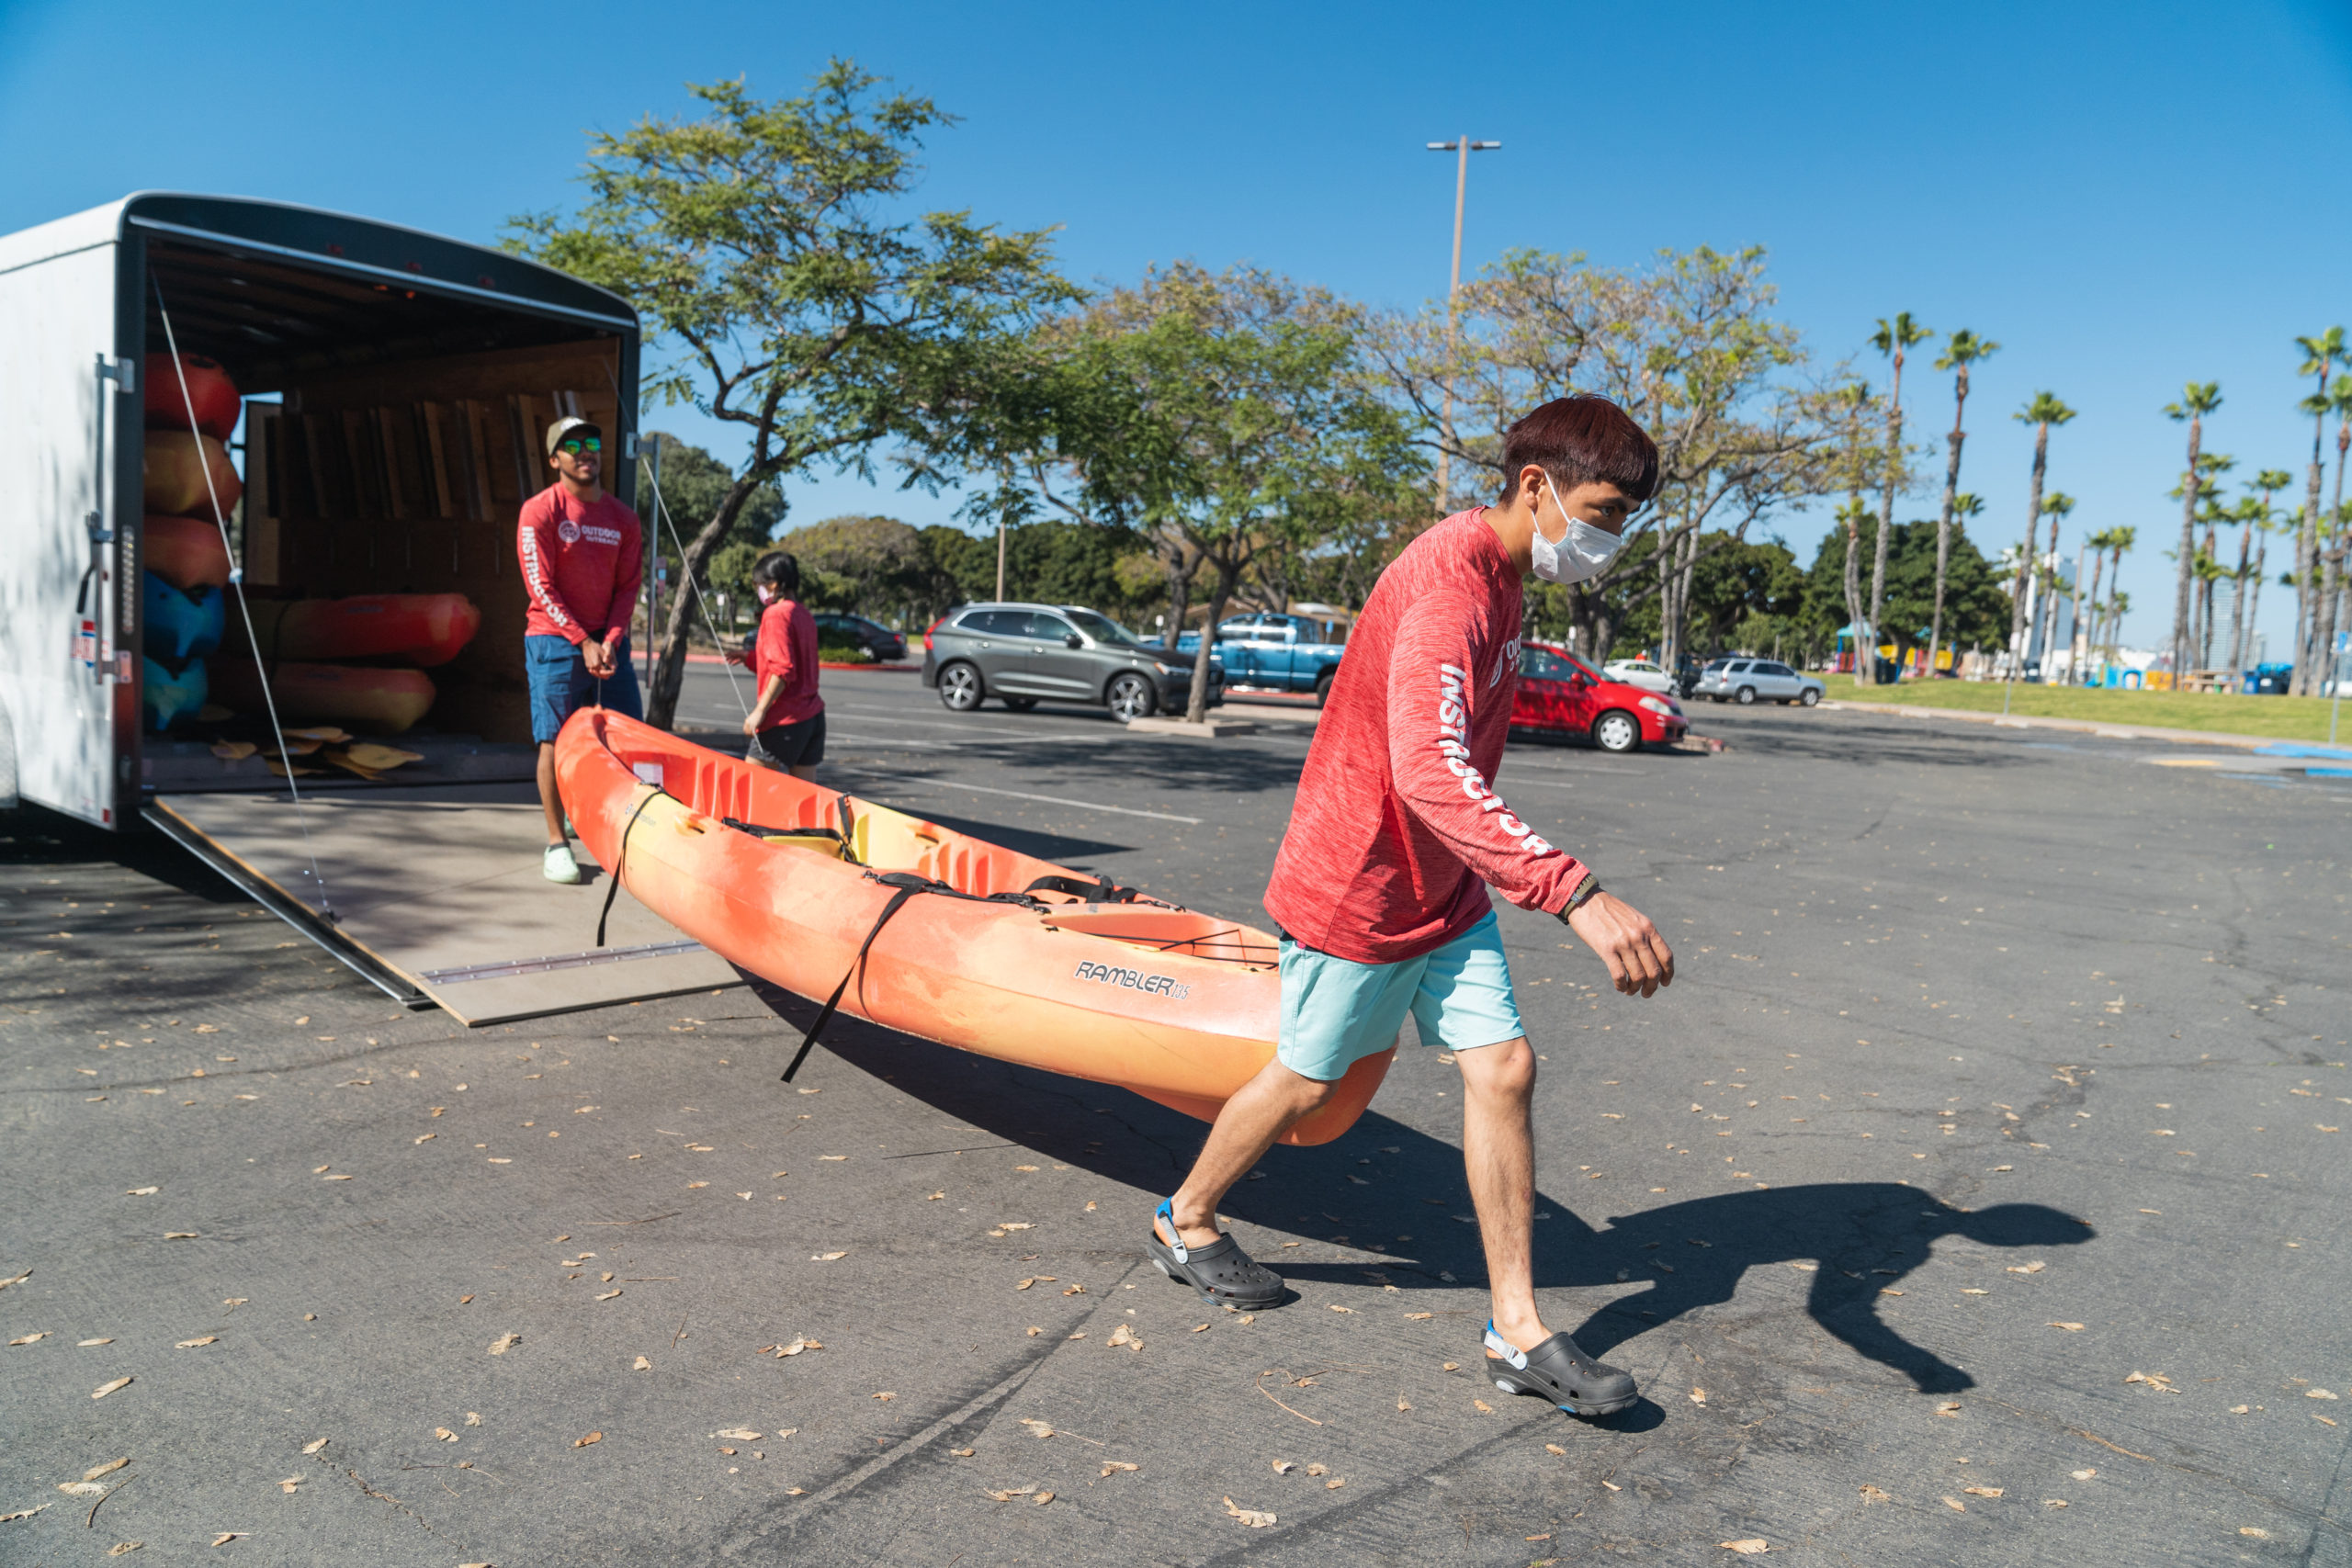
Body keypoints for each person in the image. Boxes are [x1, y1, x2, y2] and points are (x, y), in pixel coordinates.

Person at [1143, 396, 1678, 1420]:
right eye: (1604, 510)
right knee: (1307, 1082)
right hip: (1361, 889)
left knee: (1505, 1066)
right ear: (1536, 486)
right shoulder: (1448, 588)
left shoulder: (1507, 581)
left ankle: (1516, 1330)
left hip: (1445, 887)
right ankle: (1187, 1216)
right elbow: (1428, 771)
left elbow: (1448, 779)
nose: (1611, 537)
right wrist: (1575, 894)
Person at [519, 415, 644, 884]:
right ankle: (557, 843)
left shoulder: (623, 519)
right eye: (572, 446)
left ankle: (619, 831)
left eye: (591, 441)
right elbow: (540, 585)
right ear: (555, 460)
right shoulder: (540, 510)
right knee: (554, 740)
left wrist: (609, 641)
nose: (585, 451)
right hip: (553, 638)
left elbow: (628, 588)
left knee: (627, 738)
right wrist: (582, 641)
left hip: (608, 643)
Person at [733, 551, 826, 778]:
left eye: (759, 585)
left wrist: (759, 712)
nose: (758, 591)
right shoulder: (804, 614)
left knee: (751, 791)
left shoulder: (775, 614)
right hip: (813, 718)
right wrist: (749, 658)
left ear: (773, 584)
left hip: (784, 720)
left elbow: (783, 670)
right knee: (804, 799)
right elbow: (796, 664)